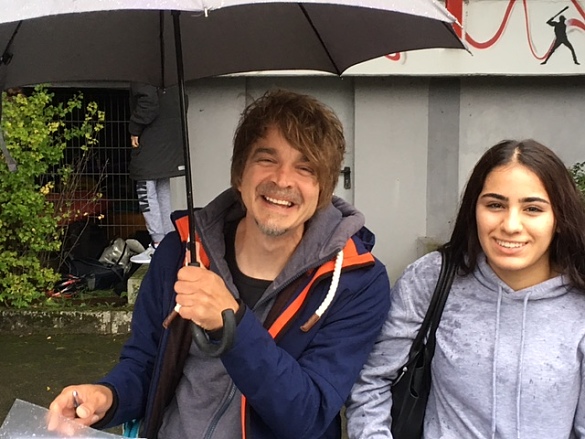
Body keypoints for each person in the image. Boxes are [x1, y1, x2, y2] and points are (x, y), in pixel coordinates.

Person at [48, 89, 391, 438]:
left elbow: (307, 416)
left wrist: (232, 323)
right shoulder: (180, 252)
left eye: (305, 168)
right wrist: (108, 396)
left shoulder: (357, 281)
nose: (282, 180)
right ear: (239, 174)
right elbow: (144, 363)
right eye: (267, 159)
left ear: (324, 189)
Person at [346, 139, 585, 438]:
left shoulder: (579, 300)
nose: (511, 225)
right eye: (495, 205)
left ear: (559, 218)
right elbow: (371, 382)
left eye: (532, 208)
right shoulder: (432, 278)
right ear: (474, 209)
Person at [127, 82, 185, 264]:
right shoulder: (169, 74)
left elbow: (149, 103)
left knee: (146, 190)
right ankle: (168, 243)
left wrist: (134, 128)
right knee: (163, 190)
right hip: (169, 142)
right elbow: (184, 100)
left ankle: (158, 244)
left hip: (150, 142)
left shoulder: (143, 74)